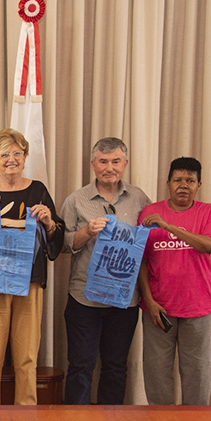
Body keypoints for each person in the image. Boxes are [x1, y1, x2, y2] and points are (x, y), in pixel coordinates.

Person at [0, 129, 63, 405]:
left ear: (25, 157)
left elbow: (56, 238)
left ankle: (25, 418)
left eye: (17, 153)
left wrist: (49, 222)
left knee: (27, 357)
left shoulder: (38, 190)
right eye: (4, 154)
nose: (11, 159)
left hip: (29, 283)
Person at [60, 137, 151, 405]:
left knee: (115, 367)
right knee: (81, 365)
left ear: (125, 164)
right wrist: (87, 232)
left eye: (115, 161)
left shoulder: (139, 198)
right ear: (93, 164)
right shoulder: (76, 200)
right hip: (84, 298)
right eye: (103, 162)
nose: (109, 168)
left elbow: (149, 242)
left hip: (124, 300)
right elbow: (61, 245)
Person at [138, 157, 211, 405]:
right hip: (158, 308)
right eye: (178, 180)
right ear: (168, 183)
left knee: (197, 374)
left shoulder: (207, 211)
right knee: (156, 375)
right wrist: (149, 300)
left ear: (199, 185)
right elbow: (140, 260)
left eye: (190, 181)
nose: (183, 185)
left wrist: (168, 226)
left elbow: (210, 245)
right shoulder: (150, 213)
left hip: (198, 306)